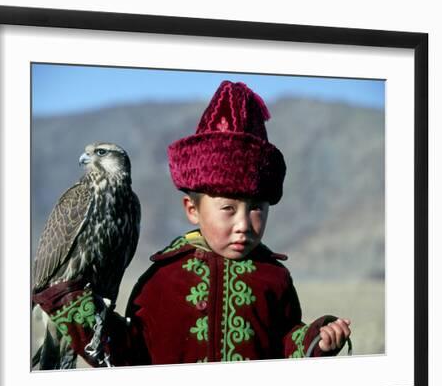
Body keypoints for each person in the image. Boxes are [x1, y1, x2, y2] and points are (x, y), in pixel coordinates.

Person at [32, 80, 351, 367]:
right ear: (192, 209)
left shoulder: (275, 278)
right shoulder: (163, 279)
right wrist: (78, 311)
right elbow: (132, 354)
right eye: (228, 208)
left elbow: (284, 346)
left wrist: (315, 340)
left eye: (257, 209)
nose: (243, 224)